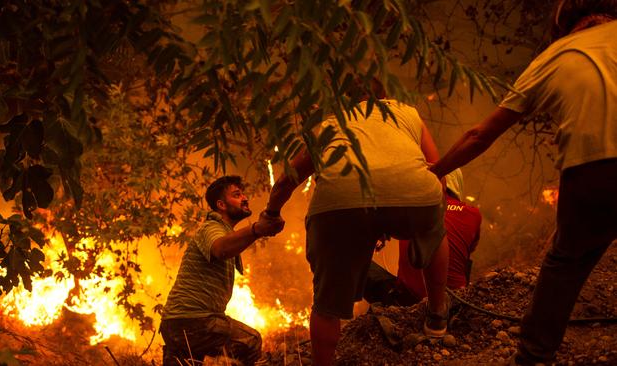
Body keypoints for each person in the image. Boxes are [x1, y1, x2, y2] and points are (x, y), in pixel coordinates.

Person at [429, 1, 617, 364]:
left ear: (563, 26)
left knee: (566, 261)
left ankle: (533, 356)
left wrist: (436, 171)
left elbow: (479, 136)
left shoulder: (555, 56)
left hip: (594, 170)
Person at [264, 94, 450, 366]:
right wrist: (427, 219)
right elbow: (438, 171)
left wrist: (271, 213)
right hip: (414, 193)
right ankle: (436, 314)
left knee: (326, 305)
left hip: (338, 205)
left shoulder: (331, 123)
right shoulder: (408, 113)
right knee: (436, 229)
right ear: (385, 96)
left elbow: (286, 182)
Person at [159, 176, 284, 366]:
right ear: (221, 205)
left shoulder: (224, 231)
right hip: (194, 321)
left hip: (175, 323)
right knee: (250, 341)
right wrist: (257, 229)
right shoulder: (211, 227)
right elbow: (220, 249)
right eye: (236, 194)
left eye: (243, 193)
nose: (245, 198)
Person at [364, 169, 482, 306]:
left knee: (349, 258)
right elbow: (470, 249)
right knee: (463, 256)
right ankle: (459, 294)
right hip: (456, 302)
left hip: (408, 301)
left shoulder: (409, 208)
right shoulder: (473, 214)